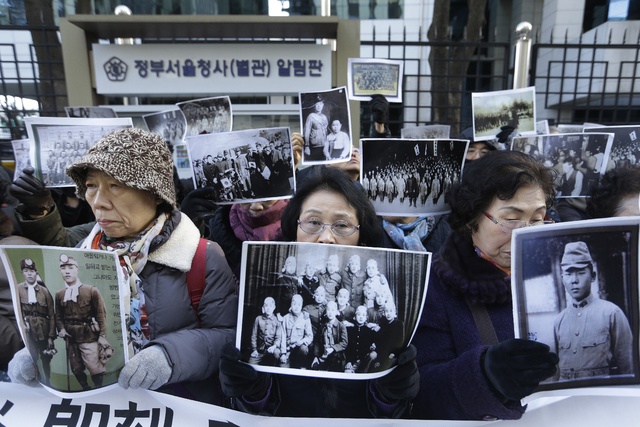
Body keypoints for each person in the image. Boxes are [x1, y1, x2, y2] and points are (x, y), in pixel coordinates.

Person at [8, 128, 238, 403]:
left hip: (177, 407)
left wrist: (169, 355)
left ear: (156, 194)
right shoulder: (80, 255)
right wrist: (36, 352)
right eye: (91, 186)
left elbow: (227, 335)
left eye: (116, 185)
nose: (99, 203)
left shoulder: (201, 256)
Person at [219, 166, 418, 418]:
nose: (326, 237)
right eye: (313, 222)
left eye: (342, 225)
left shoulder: (371, 305)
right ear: (294, 229)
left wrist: (391, 395)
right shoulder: (270, 297)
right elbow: (254, 409)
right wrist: (251, 392)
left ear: (362, 235)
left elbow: (389, 412)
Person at [412, 150, 559, 420]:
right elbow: (420, 393)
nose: (524, 230)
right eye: (511, 219)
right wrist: (486, 376)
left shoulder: (562, 271)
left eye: (537, 218)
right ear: (472, 219)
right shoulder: (434, 284)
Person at [553, 241, 633, 380]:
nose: (574, 280)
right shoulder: (559, 321)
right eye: (569, 273)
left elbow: (628, 366)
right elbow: (554, 375)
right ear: (562, 279)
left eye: (581, 272)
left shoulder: (611, 313)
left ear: (593, 276)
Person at [53, 253, 109, 390]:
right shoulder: (60, 294)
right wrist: (61, 329)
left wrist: (102, 335)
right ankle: (85, 388)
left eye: (70, 267)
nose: (67, 271)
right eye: (63, 267)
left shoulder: (91, 291)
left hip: (88, 336)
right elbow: (58, 316)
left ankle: (99, 388)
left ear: (77, 269)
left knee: (94, 367)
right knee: (76, 368)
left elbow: (101, 314)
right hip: (70, 338)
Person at [16, 258, 56, 386]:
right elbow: (18, 311)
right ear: (23, 272)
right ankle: (35, 383)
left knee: (46, 360)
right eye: (26, 271)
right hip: (29, 330)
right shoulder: (18, 289)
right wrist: (23, 325)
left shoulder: (44, 291)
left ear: (36, 273)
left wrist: (50, 337)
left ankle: (48, 382)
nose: (29, 274)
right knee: (32, 359)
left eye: (32, 271)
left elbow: (51, 315)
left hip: (44, 329)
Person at [312, 301, 348, 372]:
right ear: (326, 312)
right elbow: (317, 342)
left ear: (336, 312)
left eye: (333, 310)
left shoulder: (341, 326)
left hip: (336, 356)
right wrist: (316, 356)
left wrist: (333, 348)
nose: (330, 312)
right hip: (323, 355)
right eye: (328, 310)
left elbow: (344, 343)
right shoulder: (322, 326)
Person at [249, 297, 282, 367]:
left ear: (274, 307)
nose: (268, 308)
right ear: (263, 307)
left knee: (276, 355)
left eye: (270, 306)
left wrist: (274, 346)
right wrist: (254, 349)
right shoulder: (258, 319)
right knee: (251, 364)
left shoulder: (277, 321)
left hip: (272, 351)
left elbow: (278, 338)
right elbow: (254, 336)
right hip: (259, 351)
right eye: (266, 306)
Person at [345, 305, 378, 373]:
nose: (361, 317)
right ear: (354, 317)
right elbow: (348, 347)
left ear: (366, 318)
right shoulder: (350, 329)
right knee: (347, 373)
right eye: (359, 314)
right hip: (352, 362)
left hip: (363, 362)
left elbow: (374, 346)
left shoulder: (369, 331)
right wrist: (349, 361)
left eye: (363, 315)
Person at [303, 94, 329, 161]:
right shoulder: (311, 116)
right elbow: (307, 132)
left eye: (320, 104)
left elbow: (326, 132)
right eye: (317, 104)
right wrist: (306, 146)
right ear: (314, 105)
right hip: (314, 147)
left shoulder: (324, 117)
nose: (318, 106)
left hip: (324, 147)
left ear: (323, 106)